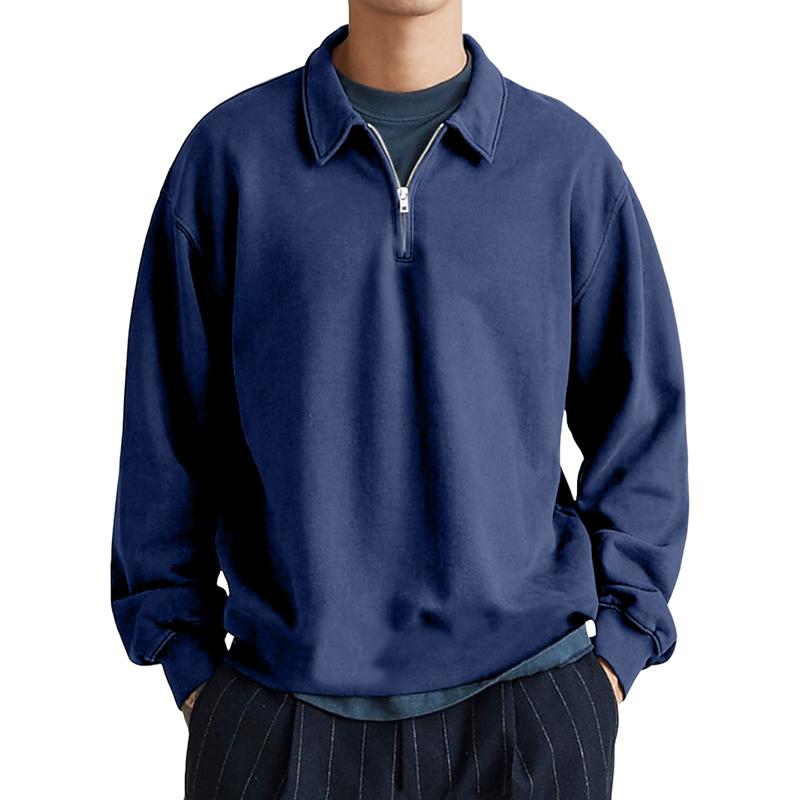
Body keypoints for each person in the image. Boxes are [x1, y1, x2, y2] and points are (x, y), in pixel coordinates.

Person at [110, 1, 689, 797]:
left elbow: (642, 423)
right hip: (279, 716)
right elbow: (166, 434)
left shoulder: (567, 164)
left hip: (529, 709)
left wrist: (614, 660)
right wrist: (191, 671)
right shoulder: (229, 158)